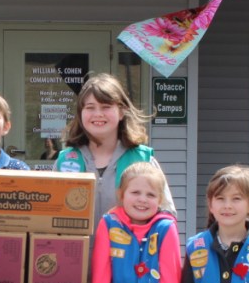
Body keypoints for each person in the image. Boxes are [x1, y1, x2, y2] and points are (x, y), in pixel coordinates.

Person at [54, 73, 175, 224]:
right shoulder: (65, 161)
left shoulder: (142, 160)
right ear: (81, 113)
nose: (98, 114)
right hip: (75, 248)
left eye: (106, 107)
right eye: (90, 107)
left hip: (126, 247)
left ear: (121, 112)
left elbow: (166, 214)